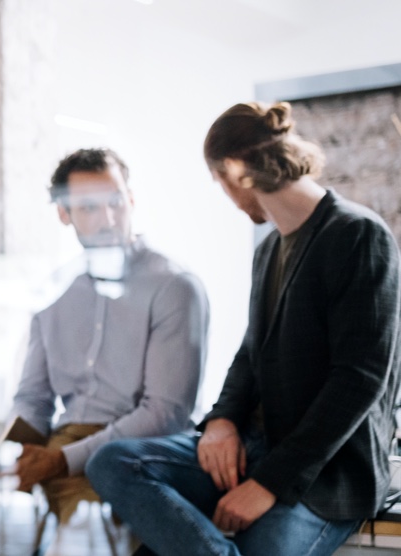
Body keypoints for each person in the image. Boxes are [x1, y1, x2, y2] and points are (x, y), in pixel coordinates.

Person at [88, 102, 400, 556]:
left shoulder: (359, 236)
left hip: (327, 476)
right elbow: (251, 354)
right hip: (255, 451)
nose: (226, 196)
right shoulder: (269, 249)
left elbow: (359, 381)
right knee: (112, 463)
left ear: (234, 172)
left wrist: (268, 485)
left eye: (219, 183)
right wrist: (222, 423)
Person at [8, 148, 209, 525]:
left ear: (131, 200)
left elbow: (164, 415)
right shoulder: (54, 294)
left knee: (84, 532)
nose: (108, 219)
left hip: (139, 457)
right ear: (63, 214)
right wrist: (26, 448)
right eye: (88, 208)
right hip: (59, 453)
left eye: (115, 202)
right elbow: (32, 397)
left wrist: (61, 460)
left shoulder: (174, 287)